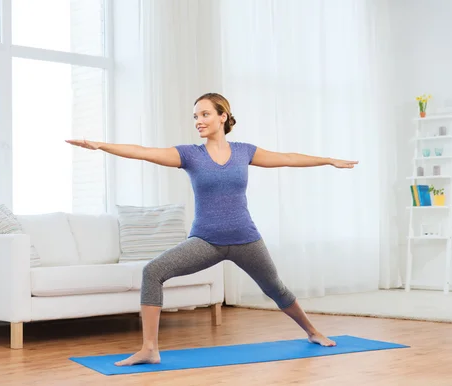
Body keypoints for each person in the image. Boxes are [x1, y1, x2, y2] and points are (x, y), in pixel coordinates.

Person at [65, 93, 358, 367]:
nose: (198, 121)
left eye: (205, 114)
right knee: (152, 272)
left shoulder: (244, 152)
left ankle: (312, 331)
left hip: (246, 239)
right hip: (206, 240)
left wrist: (328, 160)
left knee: (276, 289)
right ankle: (149, 349)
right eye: (195, 116)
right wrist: (101, 145)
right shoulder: (190, 155)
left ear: (223, 116)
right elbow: (143, 152)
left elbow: (289, 158)